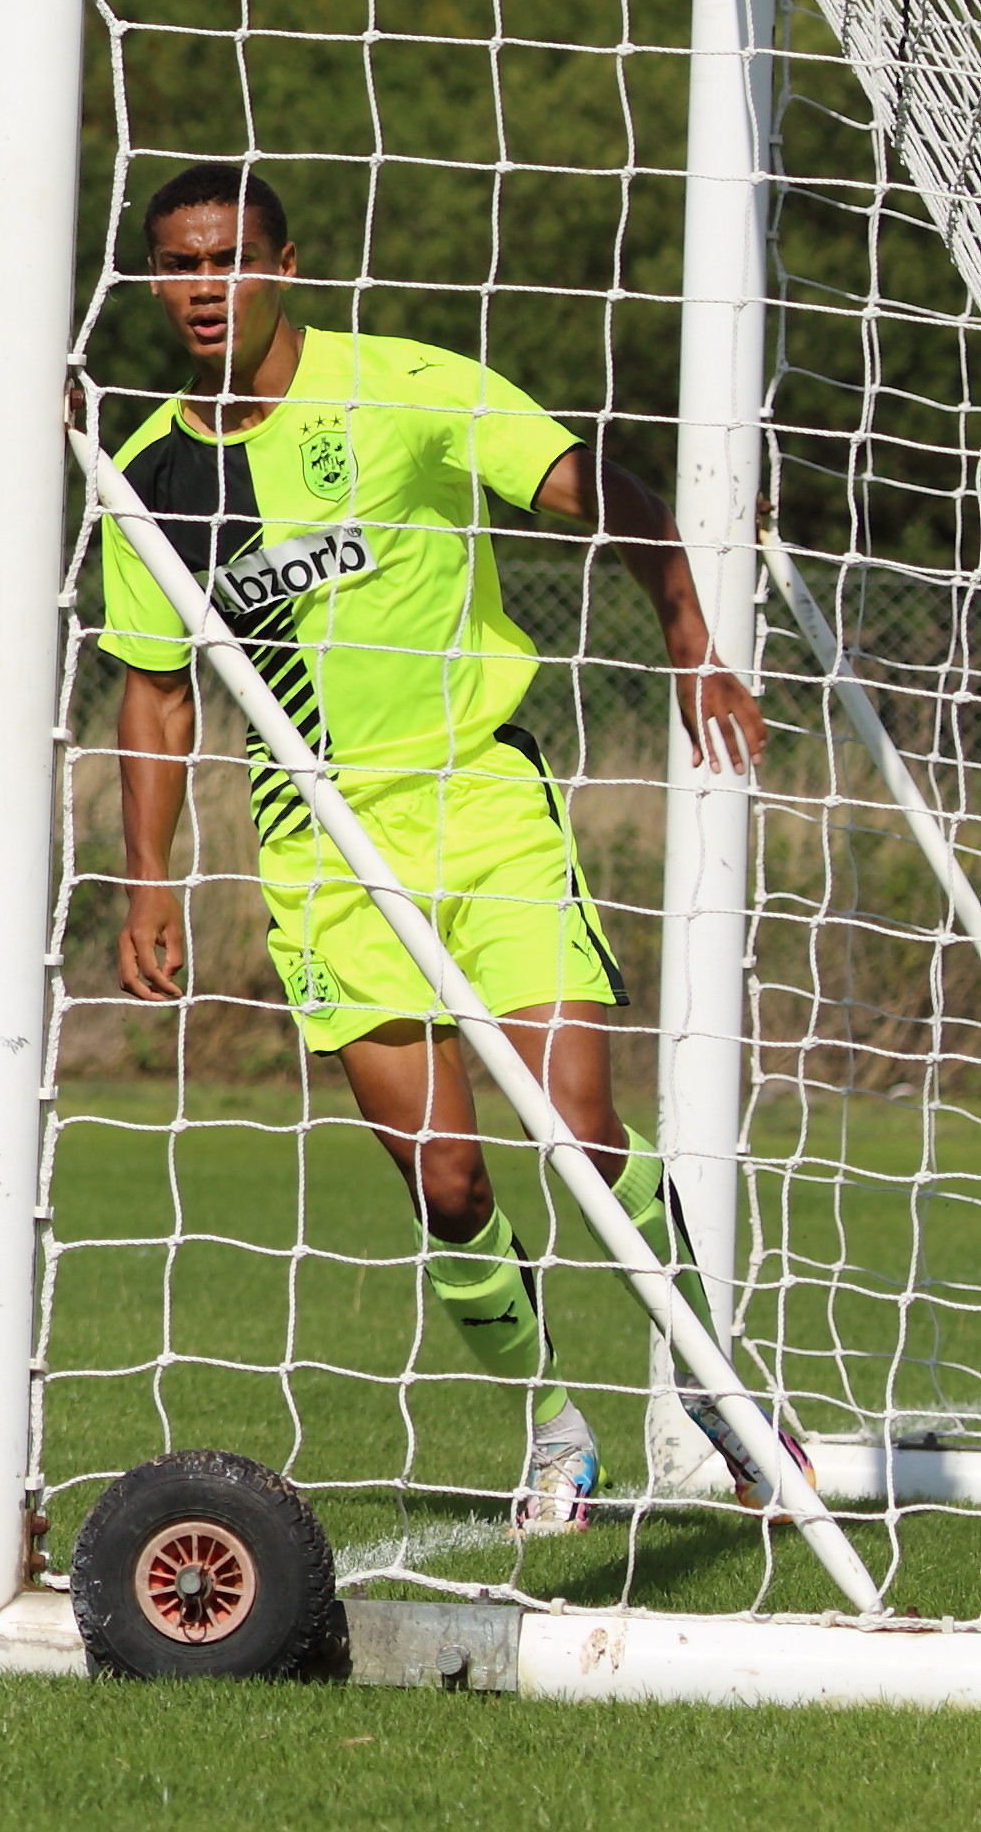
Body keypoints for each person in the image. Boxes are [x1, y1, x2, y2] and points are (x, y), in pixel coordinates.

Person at [96, 162, 786, 1536]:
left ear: (286, 261)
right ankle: (554, 1425)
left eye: (230, 257)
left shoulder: (409, 386)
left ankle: (712, 1379)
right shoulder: (149, 473)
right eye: (179, 265)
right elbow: (157, 687)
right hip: (322, 854)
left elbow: (603, 483)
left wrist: (691, 633)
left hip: (480, 805)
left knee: (578, 1128)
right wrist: (150, 874)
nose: (204, 286)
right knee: (450, 1181)